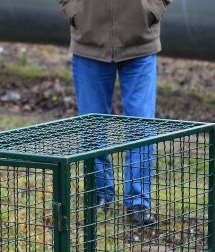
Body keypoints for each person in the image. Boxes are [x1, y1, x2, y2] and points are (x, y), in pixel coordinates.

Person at [59, 0, 171, 225]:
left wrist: (152, 8)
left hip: (140, 42)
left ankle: (138, 201)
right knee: (92, 128)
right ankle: (99, 194)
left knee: (141, 126)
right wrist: (74, 10)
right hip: (89, 42)